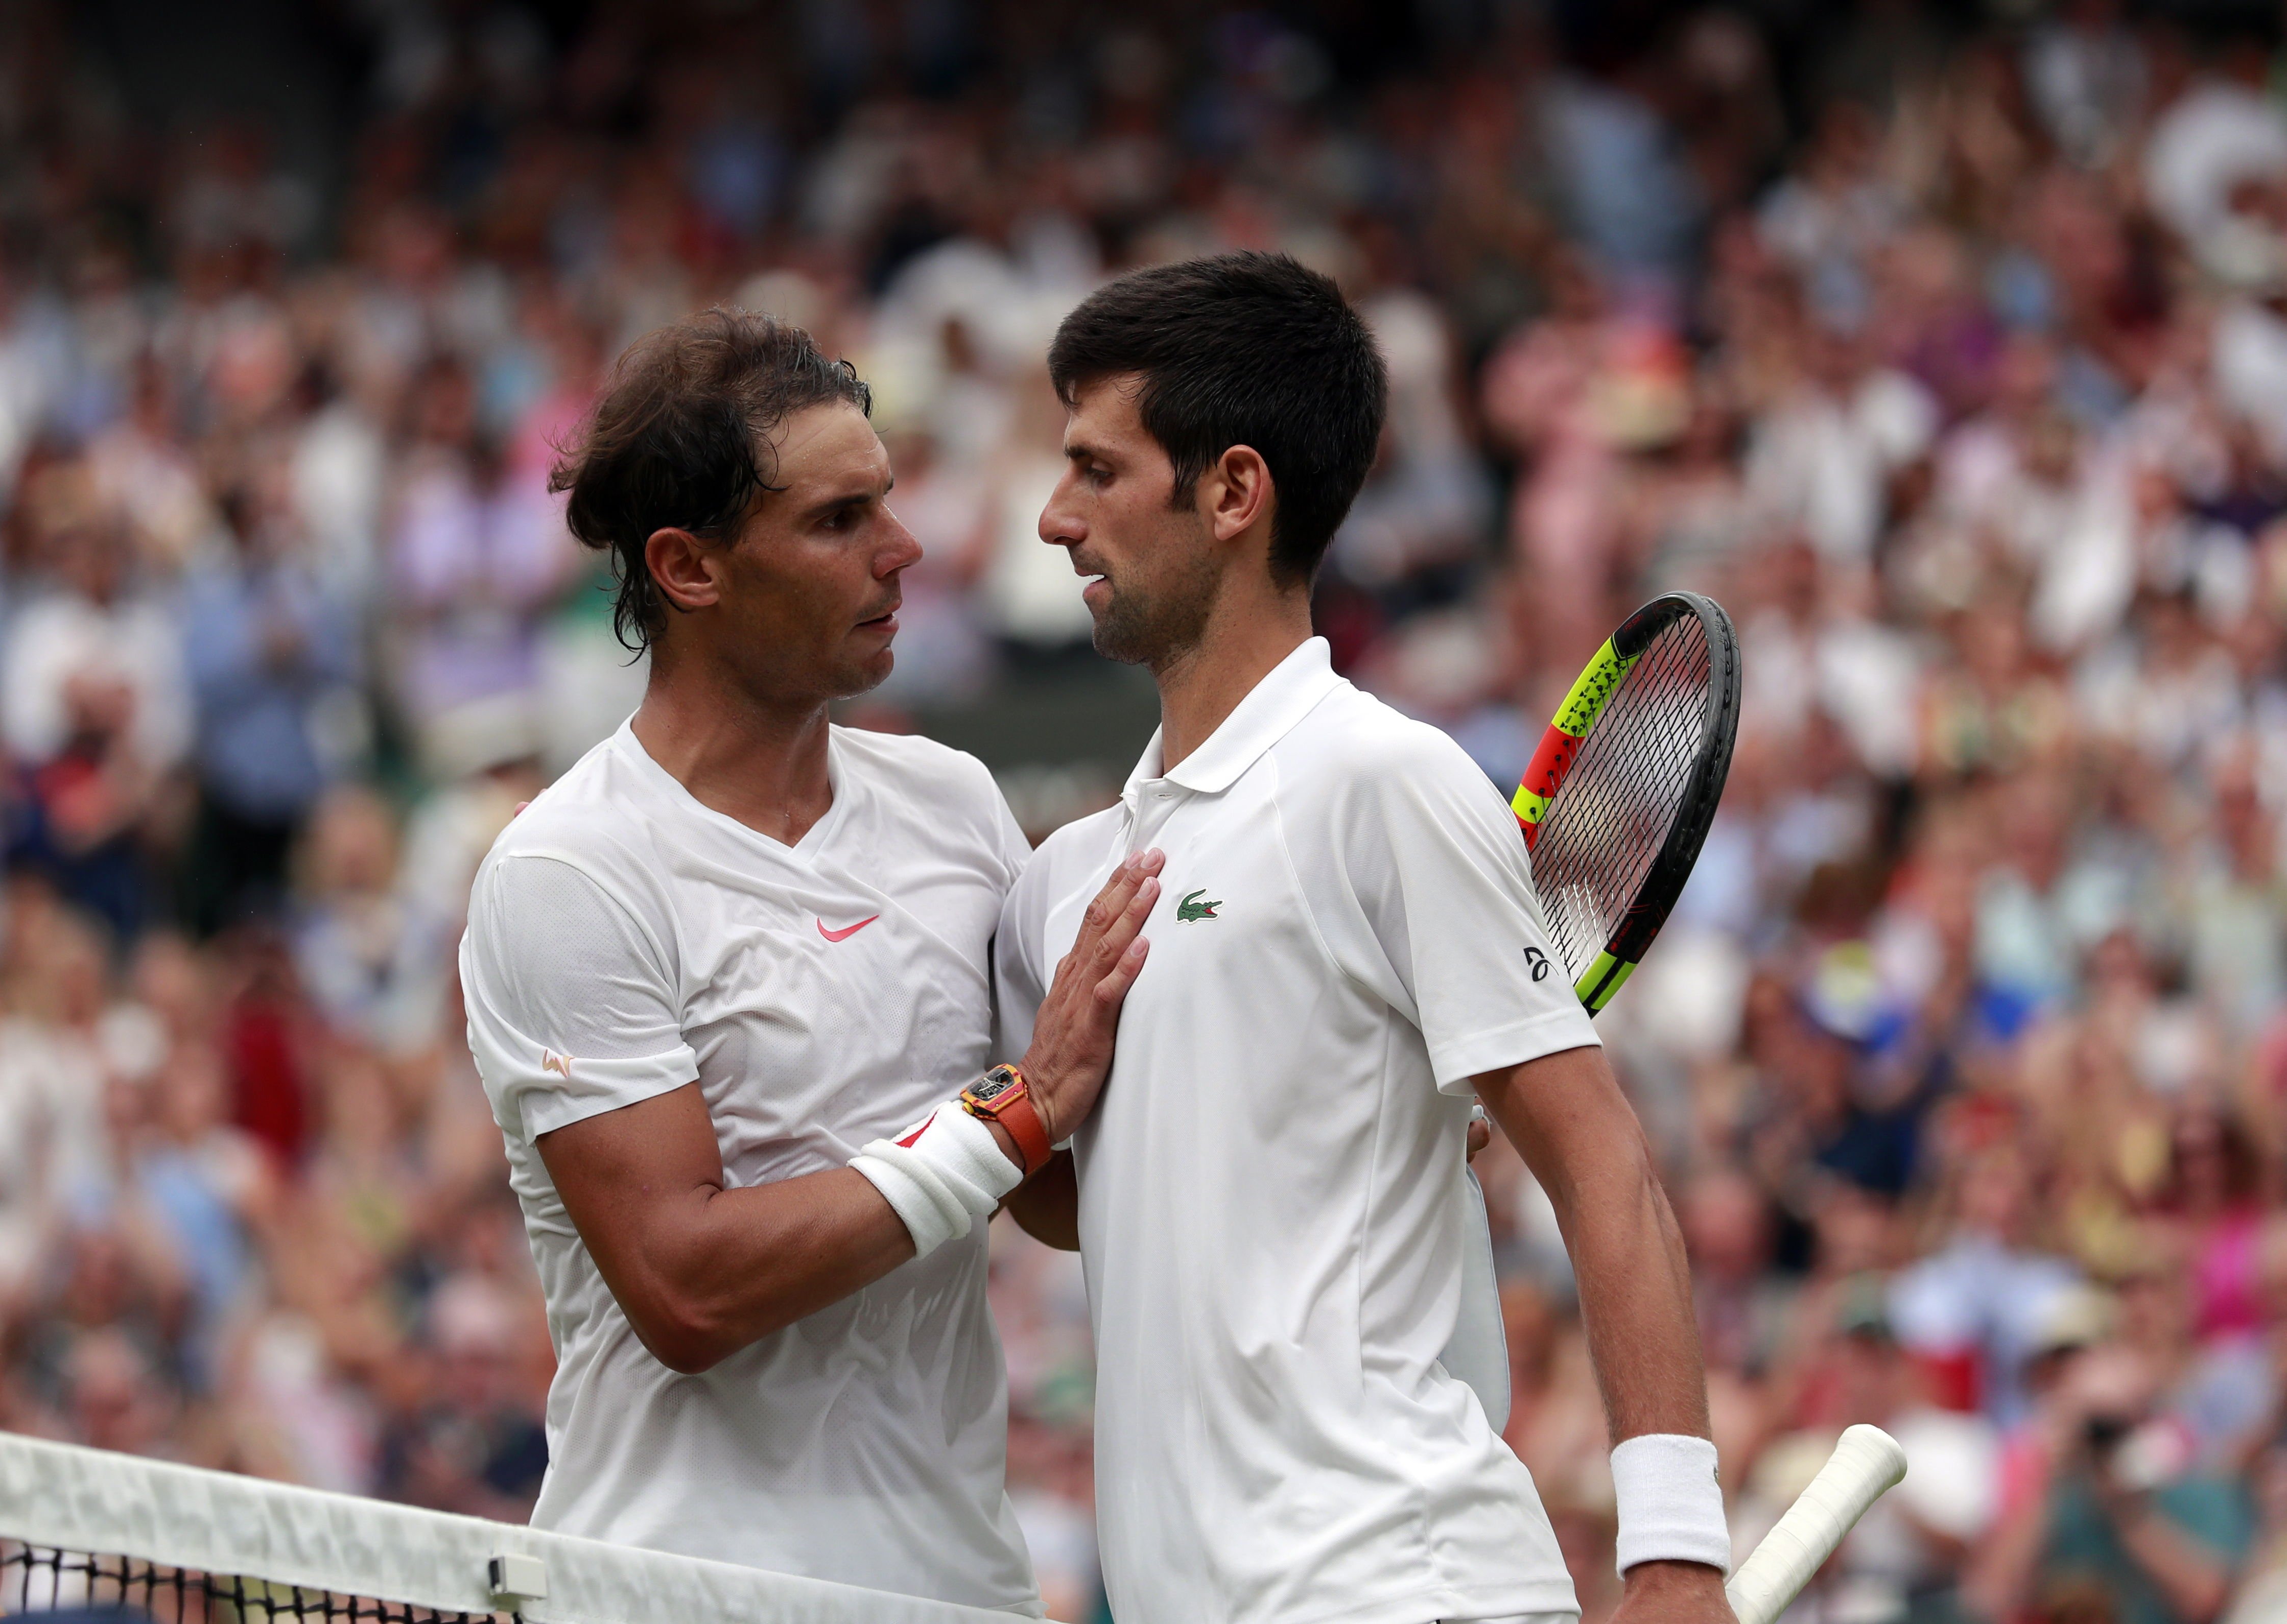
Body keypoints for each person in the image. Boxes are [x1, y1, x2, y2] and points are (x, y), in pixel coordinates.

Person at [994, 252, 1736, 1624]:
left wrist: (1674, 1557)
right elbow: (1079, 1205)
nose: (1052, 518)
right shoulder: (1064, 884)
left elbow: (1599, 1159)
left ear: (1229, 490)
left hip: (1398, 1582)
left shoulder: (1375, 781)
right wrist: (1030, 1104)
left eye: (1096, 471)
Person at [456, 308, 1159, 1611]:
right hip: (676, 1597)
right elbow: (688, 1289)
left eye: (886, 503)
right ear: (690, 567)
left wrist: (1337, 1115)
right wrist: (1012, 1117)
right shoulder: (567, 875)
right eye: (839, 522)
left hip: (955, 1592)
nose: (904, 553)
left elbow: (1053, 1194)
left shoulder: (953, 802)